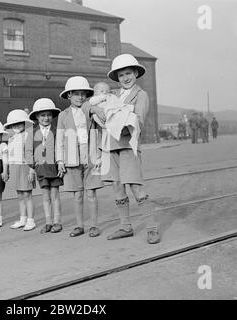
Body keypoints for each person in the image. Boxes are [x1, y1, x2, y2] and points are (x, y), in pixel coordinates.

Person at [101, 53, 160, 244]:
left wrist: (116, 121)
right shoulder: (114, 95)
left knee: (136, 187)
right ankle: (125, 226)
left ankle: (151, 228)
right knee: (117, 188)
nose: (125, 78)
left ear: (136, 73)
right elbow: (99, 112)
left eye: (128, 74)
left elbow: (138, 120)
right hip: (111, 147)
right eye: (121, 76)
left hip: (128, 147)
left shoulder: (141, 95)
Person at [56, 76, 105, 237]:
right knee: (77, 195)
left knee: (91, 193)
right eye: (76, 94)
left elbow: (101, 130)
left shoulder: (90, 110)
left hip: (90, 156)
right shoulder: (63, 116)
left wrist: (99, 155)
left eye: (83, 94)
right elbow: (59, 140)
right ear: (69, 95)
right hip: (72, 158)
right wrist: (60, 160)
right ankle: (79, 225)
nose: (80, 97)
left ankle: (94, 225)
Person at [29, 98, 63, 234]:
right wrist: (32, 166)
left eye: (49, 115)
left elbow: (61, 148)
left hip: (54, 168)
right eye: (43, 115)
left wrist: (61, 163)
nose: (46, 118)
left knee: (55, 195)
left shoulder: (56, 131)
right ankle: (48, 222)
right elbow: (28, 150)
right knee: (45, 196)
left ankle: (57, 222)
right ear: (37, 116)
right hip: (41, 169)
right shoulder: (32, 132)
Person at [4, 109, 37, 231]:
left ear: (25, 123)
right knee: (20, 195)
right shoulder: (11, 137)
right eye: (14, 124)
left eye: (20, 123)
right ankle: (23, 219)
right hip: (14, 167)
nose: (16, 126)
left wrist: (31, 170)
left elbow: (30, 153)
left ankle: (31, 220)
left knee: (27, 195)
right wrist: (7, 170)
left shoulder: (28, 135)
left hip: (25, 167)